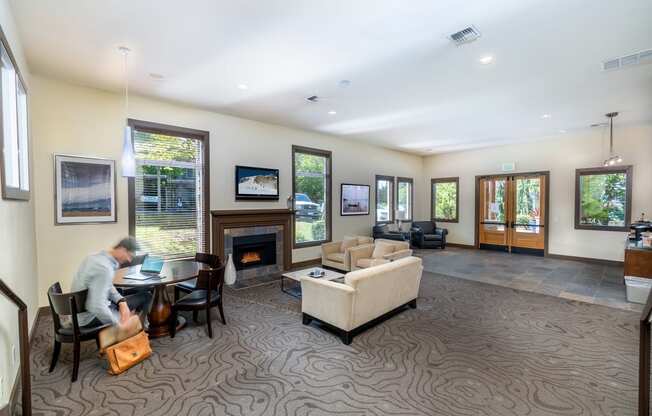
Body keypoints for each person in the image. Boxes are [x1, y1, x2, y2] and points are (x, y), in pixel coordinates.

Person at [71, 237, 152, 328]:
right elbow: (95, 306)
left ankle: (137, 326)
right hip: (89, 318)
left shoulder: (93, 257)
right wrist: (118, 324)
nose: (129, 260)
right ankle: (139, 330)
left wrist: (121, 301)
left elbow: (106, 285)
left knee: (122, 292)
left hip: (77, 315)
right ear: (122, 249)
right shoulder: (105, 268)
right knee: (146, 296)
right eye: (129, 256)